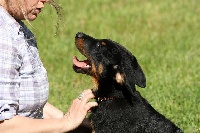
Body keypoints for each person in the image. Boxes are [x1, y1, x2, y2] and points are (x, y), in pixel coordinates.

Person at [0, 0, 98, 132]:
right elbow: (4, 126)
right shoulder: (4, 38)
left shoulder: (15, 27)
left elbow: (26, 102)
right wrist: (65, 123)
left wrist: (76, 123)